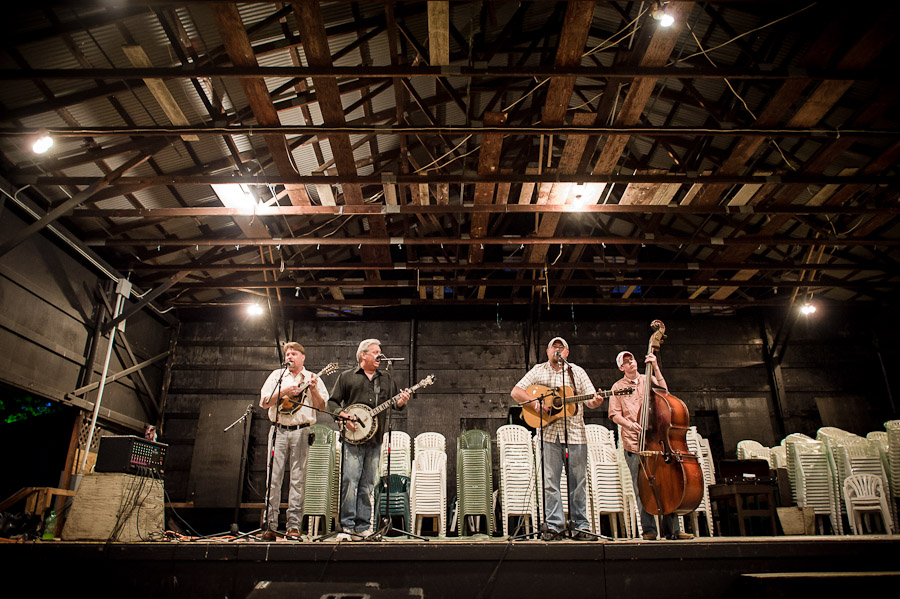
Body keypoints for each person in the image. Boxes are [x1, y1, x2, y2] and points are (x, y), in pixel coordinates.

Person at [510, 337, 603, 541]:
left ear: (567, 353)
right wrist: (536, 406)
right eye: (554, 347)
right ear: (548, 351)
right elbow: (516, 392)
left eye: (562, 348)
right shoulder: (538, 371)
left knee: (578, 483)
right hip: (548, 435)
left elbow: (590, 401)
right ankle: (554, 526)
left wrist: (596, 401)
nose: (558, 350)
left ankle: (580, 526)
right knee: (550, 482)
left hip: (576, 435)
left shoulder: (576, 372)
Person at [327, 338, 410, 541]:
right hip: (353, 439)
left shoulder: (387, 379)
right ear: (363, 355)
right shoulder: (347, 377)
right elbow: (332, 402)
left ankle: (363, 527)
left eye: (380, 352)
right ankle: (347, 527)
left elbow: (396, 405)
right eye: (375, 352)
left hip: (375, 440)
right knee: (350, 482)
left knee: (368, 484)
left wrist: (401, 402)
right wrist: (343, 416)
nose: (379, 356)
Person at [608, 350, 693, 541]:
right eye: (626, 362)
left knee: (667, 484)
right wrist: (630, 424)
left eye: (632, 360)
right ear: (621, 367)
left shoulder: (648, 379)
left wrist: (655, 366)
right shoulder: (617, 386)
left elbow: (665, 391)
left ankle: (673, 530)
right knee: (642, 488)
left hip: (657, 441)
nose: (631, 364)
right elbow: (614, 414)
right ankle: (649, 530)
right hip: (634, 443)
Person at [258, 342, 328, 541]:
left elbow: (322, 408)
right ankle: (269, 525)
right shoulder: (277, 375)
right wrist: (284, 391)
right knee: (273, 479)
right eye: (287, 354)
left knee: (298, 479)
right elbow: (264, 402)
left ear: (302, 357)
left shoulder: (313, 378)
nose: (290, 356)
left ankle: (293, 527)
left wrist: (313, 390)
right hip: (278, 429)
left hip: (301, 431)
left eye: (294, 354)